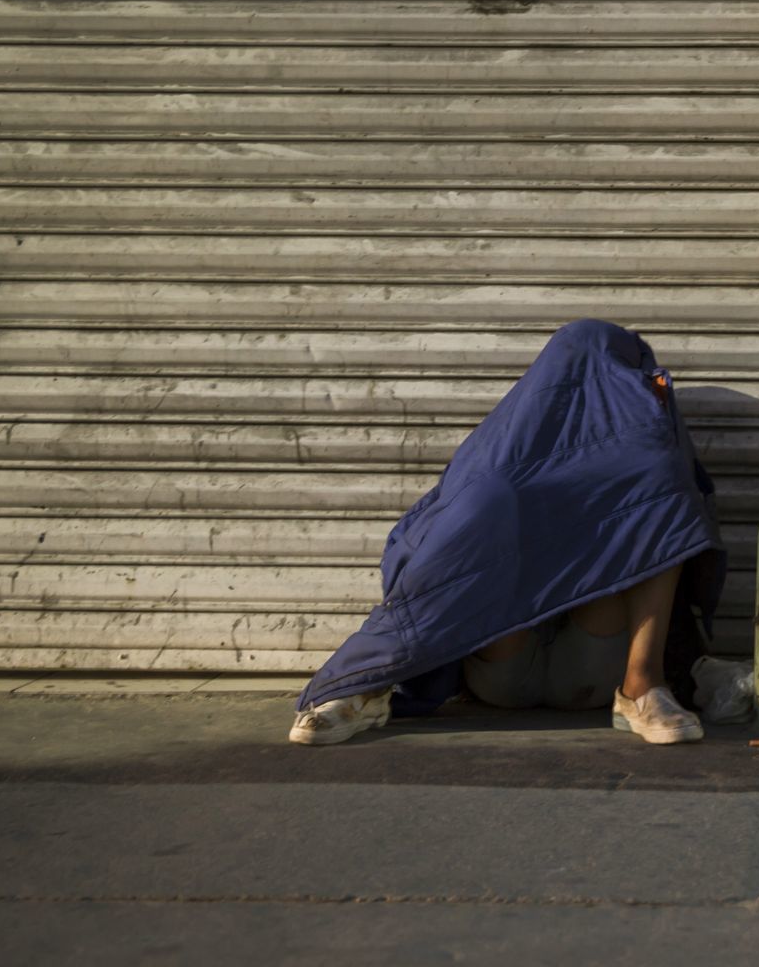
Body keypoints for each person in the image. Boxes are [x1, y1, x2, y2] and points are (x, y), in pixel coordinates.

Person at [288, 320, 726, 748]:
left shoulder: (637, 458)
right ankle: (369, 684)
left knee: (655, 493)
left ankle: (643, 688)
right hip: (544, 666)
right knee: (489, 506)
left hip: (530, 672)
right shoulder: (502, 458)